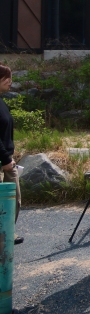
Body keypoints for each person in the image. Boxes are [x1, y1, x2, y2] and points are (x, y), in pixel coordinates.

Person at [0, 65, 23, 245]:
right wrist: (5, 159)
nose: (10, 82)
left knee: (15, 199)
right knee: (5, 200)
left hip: (7, 158)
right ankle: (4, 234)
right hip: (3, 160)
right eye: (7, 78)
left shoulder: (2, 101)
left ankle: (7, 231)